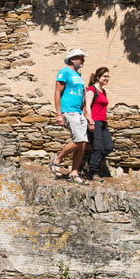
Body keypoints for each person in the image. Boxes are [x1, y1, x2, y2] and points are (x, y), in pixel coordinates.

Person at [51, 49, 89, 182]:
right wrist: (59, 114)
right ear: (72, 59)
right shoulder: (64, 72)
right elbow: (57, 93)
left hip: (79, 112)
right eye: (81, 58)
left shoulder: (78, 76)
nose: (83, 60)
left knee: (82, 144)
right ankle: (57, 160)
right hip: (68, 111)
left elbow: (81, 97)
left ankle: (74, 172)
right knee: (79, 140)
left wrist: (86, 114)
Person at [84, 67, 114, 179]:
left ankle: (91, 164)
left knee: (108, 147)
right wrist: (90, 121)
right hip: (94, 121)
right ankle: (93, 173)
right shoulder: (92, 90)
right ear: (98, 77)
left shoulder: (103, 91)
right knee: (98, 147)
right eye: (104, 76)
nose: (107, 78)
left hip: (103, 122)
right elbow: (87, 106)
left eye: (108, 76)